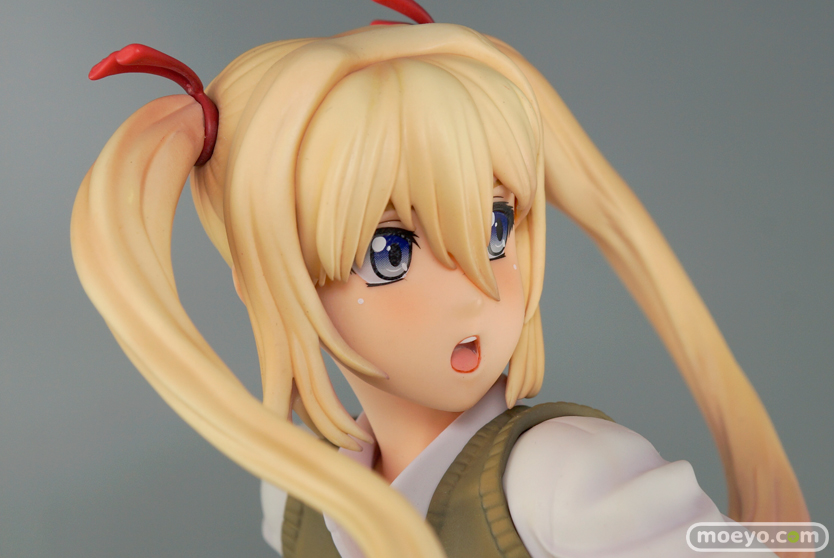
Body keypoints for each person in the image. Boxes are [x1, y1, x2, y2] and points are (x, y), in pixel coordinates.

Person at [71, 1, 808, 556]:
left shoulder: (566, 476)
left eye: (494, 230)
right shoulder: (296, 501)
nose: (475, 292)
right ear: (268, 283)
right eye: (389, 253)